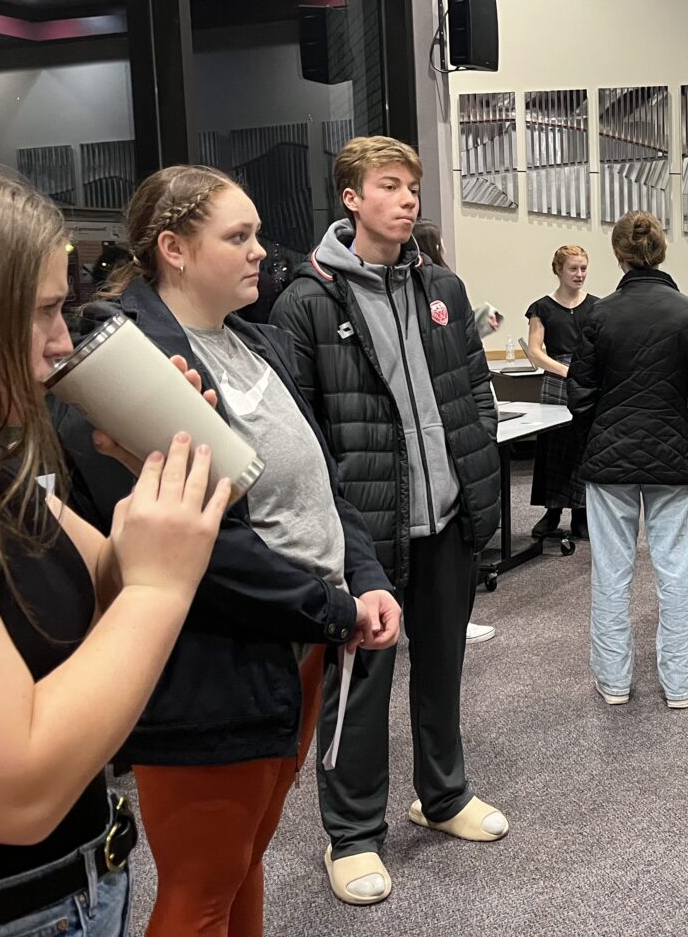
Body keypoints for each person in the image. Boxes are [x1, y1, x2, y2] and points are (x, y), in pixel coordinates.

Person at [53, 165, 401, 936]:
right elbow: (200, 551)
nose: (260, 252)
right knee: (200, 889)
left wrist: (365, 577)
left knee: (245, 863)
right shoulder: (127, 370)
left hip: (295, 645)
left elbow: (323, 481)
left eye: (256, 234)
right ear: (172, 249)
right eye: (237, 237)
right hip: (211, 664)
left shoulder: (257, 340)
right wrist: (335, 607)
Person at [0, 165, 227, 937]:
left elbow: (104, 584)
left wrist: (154, 465)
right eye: (45, 312)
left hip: (75, 889)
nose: (61, 346)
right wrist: (158, 589)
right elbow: (16, 792)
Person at [270, 138, 507, 908]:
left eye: (413, 187)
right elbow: (301, 432)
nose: (407, 200)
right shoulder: (307, 301)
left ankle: (442, 797)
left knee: (441, 669)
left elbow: (473, 389)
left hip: (447, 519)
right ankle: (352, 835)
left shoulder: (442, 286)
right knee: (360, 685)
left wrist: (477, 487)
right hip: (363, 533)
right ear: (351, 197)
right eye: (390, 186)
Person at [568, 211, 688, 709]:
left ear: (618, 254)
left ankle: (614, 682)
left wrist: (601, 436)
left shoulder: (599, 314)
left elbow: (579, 394)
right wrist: (687, 440)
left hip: (609, 459)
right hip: (674, 456)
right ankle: (679, 685)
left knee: (610, 573)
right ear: (661, 251)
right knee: (675, 571)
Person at [411, 219, 500, 647]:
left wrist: (481, 433)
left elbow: (463, 358)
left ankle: (452, 619)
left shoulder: (446, 288)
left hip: (458, 435)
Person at [524, 245, 597, 541]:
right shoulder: (541, 307)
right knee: (553, 445)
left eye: (583, 268)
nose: (579, 274)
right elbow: (535, 352)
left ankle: (581, 512)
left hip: (588, 380)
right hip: (557, 379)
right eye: (573, 269)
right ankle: (552, 510)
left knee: (583, 446)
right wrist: (567, 371)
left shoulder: (596, 306)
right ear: (559, 270)